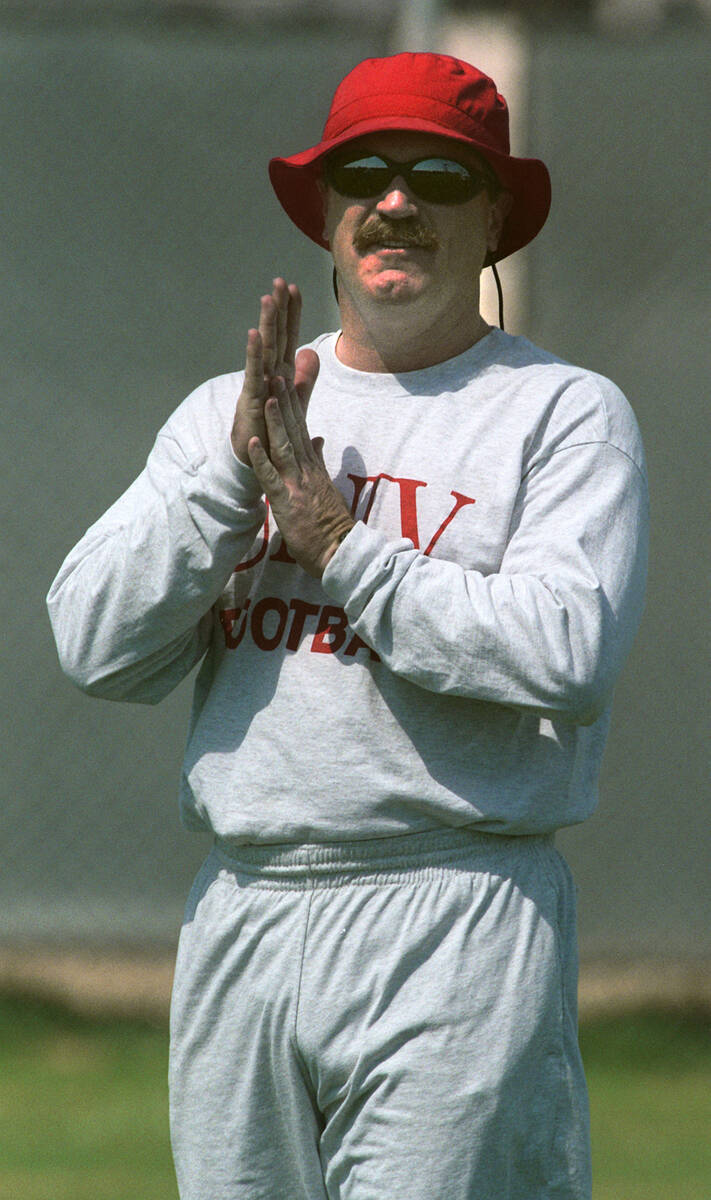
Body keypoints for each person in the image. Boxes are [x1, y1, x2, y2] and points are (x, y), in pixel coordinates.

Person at [47, 52, 648, 1200]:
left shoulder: (559, 413)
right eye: (364, 171)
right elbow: (94, 644)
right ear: (326, 212)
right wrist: (232, 482)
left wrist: (341, 543)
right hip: (246, 910)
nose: (396, 200)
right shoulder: (234, 418)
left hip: (454, 908)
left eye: (438, 174)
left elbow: (565, 650)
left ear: (495, 218)